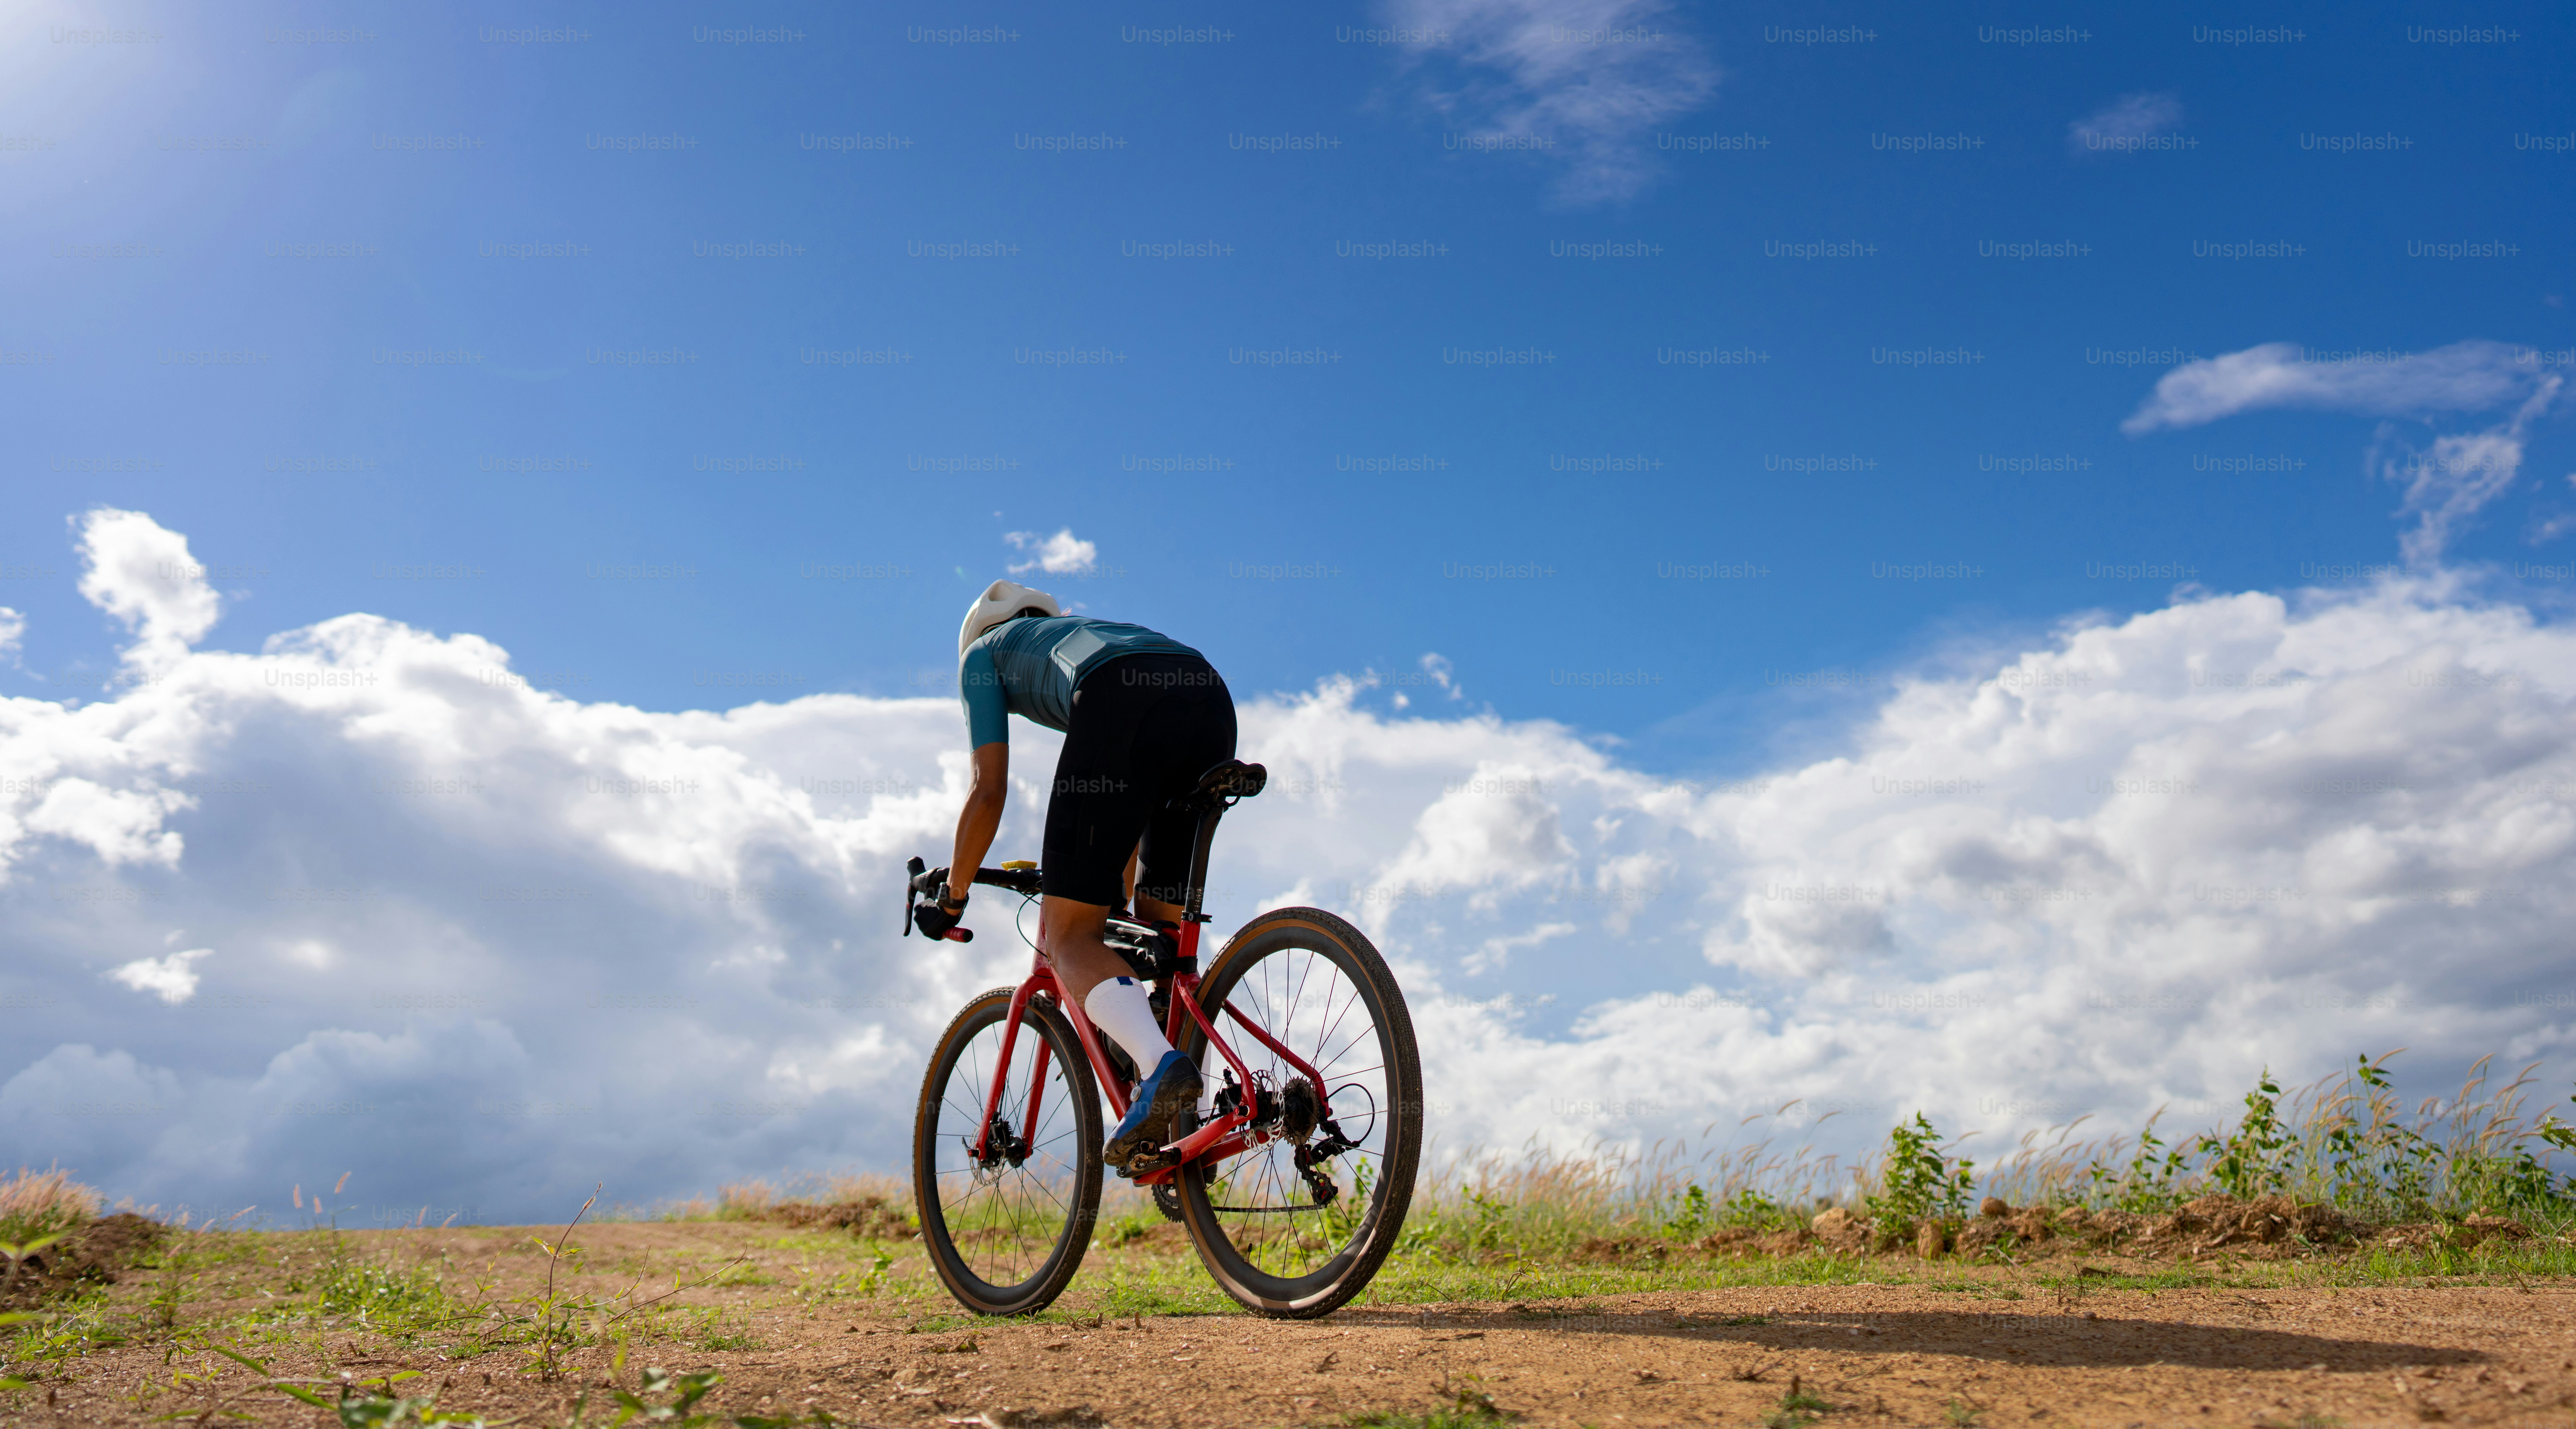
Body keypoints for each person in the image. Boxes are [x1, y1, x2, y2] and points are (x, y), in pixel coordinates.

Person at [913, 579, 1237, 1174]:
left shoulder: (982, 656)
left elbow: (988, 791)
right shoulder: (1084, 637)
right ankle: (1188, 1129)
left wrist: (951, 897)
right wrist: (1103, 892)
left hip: (1122, 700)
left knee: (1067, 938)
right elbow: (1124, 813)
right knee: (1164, 942)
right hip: (1208, 698)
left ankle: (1159, 1067)